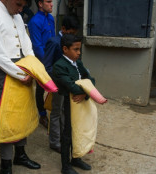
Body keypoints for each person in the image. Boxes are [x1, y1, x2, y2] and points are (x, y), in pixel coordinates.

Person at [0, 0, 41, 173]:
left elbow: (27, 44)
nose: (20, 10)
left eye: (22, 7)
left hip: (24, 69)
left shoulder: (17, 14)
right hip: (6, 71)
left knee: (23, 113)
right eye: (19, 4)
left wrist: (31, 67)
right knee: (7, 117)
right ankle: (5, 164)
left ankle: (20, 154)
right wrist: (22, 75)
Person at [53, 34, 94, 174]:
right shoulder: (59, 66)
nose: (79, 52)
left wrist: (84, 93)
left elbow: (91, 79)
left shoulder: (78, 62)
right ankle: (65, 166)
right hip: (68, 103)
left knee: (79, 131)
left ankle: (76, 158)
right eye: (76, 49)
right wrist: (86, 89)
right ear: (65, 49)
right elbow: (73, 87)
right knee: (68, 134)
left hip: (80, 102)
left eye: (79, 49)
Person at [43, 14, 80, 153]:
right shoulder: (54, 42)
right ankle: (54, 141)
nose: (72, 36)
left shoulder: (70, 42)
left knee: (66, 111)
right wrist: (58, 79)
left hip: (68, 83)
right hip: (57, 84)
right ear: (63, 29)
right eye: (70, 33)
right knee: (56, 112)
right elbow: (46, 66)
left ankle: (64, 138)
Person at [28, 0, 55, 128]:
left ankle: (54, 112)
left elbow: (55, 40)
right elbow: (37, 46)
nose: (52, 4)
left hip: (53, 59)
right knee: (40, 89)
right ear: (40, 4)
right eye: (48, 1)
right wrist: (47, 62)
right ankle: (42, 115)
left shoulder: (51, 18)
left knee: (55, 87)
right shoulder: (34, 22)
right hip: (41, 60)